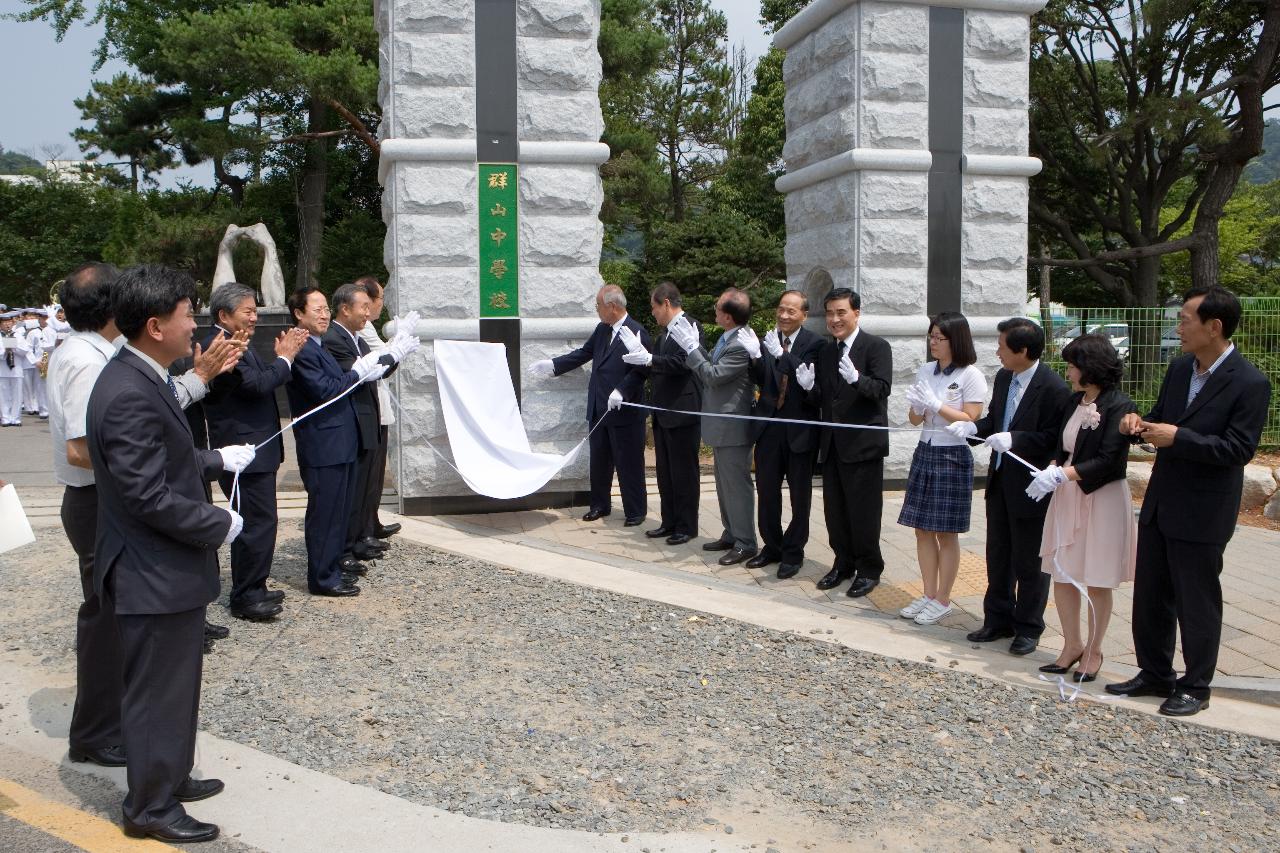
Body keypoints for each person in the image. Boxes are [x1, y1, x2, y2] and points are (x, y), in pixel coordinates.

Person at [86, 264, 257, 843]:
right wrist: (217, 524)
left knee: (176, 685)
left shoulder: (143, 374)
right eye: (189, 316)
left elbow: (168, 458)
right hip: (149, 571)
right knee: (158, 693)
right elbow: (147, 495)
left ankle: (170, 774)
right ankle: (150, 807)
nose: (197, 328)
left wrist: (216, 460)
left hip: (162, 569)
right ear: (156, 325)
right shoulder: (129, 390)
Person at [1108, 285, 1271, 716]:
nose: (1177, 326)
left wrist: (1178, 437)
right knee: (1151, 595)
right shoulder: (1181, 369)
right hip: (1162, 502)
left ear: (1214, 327)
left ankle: (1196, 685)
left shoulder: (1250, 383)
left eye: (1184, 319)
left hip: (1203, 510)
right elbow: (1161, 421)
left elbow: (1237, 450)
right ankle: (1154, 673)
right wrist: (1139, 425)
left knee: (1196, 601)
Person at [45, 263, 126, 770]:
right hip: (95, 502)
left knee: (112, 617)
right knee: (105, 622)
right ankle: (95, 733)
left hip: (98, 500)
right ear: (114, 307)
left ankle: (107, 723)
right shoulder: (86, 361)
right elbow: (80, 450)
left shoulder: (93, 352)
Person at [949, 317, 1071, 656]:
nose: (997, 352)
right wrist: (971, 429)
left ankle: (1029, 626)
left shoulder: (1053, 389)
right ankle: (997, 618)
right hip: (1000, 480)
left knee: (1029, 560)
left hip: (1031, 487)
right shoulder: (1005, 377)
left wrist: (1014, 438)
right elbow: (995, 421)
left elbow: (1051, 438)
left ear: (1023, 350)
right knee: (998, 554)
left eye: (1003, 347)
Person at [287, 287, 414, 597]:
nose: (322, 314)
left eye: (323, 308)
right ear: (298, 314)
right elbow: (326, 390)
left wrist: (372, 364)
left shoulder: (317, 345)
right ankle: (322, 577)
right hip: (322, 446)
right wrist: (359, 370)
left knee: (337, 512)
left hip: (339, 442)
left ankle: (331, 570)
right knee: (324, 515)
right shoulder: (303, 349)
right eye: (314, 309)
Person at [1025, 334, 1136, 683]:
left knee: (1097, 578)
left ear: (1091, 367)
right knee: (1063, 570)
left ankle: (1095, 648)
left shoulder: (1119, 405)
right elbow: (1064, 445)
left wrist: (1063, 474)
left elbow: (1109, 459)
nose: (1068, 370)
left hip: (1099, 497)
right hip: (1067, 492)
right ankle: (1071, 643)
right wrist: (1054, 467)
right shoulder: (1074, 401)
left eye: (1073, 364)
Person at [202, 282, 307, 621]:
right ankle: (245, 596)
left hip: (257, 447)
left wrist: (278, 361)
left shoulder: (239, 343)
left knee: (263, 521)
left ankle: (255, 585)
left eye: (254, 310)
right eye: (247, 311)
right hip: (242, 449)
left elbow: (262, 377)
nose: (254, 317)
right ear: (223, 315)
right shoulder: (220, 345)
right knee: (254, 523)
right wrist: (285, 357)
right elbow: (257, 385)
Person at [795, 288, 893, 597]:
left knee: (863, 511)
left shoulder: (876, 347)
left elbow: (881, 390)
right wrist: (808, 388)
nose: (835, 319)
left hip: (863, 445)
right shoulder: (827, 351)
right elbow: (824, 399)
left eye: (841, 313)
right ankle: (843, 562)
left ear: (856, 313)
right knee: (835, 510)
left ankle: (869, 567)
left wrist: (857, 380)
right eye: (830, 313)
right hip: (833, 445)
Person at [530, 284, 651, 525]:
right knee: (599, 462)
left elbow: (642, 370)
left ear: (612, 306)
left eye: (598, 306)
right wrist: (554, 365)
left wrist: (621, 390)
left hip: (624, 410)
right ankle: (600, 505)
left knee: (628, 464)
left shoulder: (637, 332)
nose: (596, 310)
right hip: (599, 409)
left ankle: (635, 511)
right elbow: (583, 353)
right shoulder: (602, 329)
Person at [897, 312, 986, 625]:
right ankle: (928, 592)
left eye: (939, 337)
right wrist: (920, 408)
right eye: (931, 336)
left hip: (952, 455)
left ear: (955, 340)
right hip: (926, 450)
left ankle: (944, 598)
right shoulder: (926, 370)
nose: (933, 342)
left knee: (946, 533)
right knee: (922, 528)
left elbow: (972, 419)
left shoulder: (971, 374)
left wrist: (939, 406)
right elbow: (913, 418)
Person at [666, 287, 759, 565]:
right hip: (720, 425)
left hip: (733, 427)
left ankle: (745, 542)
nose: (714, 311)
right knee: (723, 485)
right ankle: (731, 533)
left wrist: (693, 350)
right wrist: (699, 350)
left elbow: (713, 375)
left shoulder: (740, 344)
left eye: (718, 307)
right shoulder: (727, 337)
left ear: (729, 317)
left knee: (737, 486)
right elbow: (711, 364)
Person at [746, 290, 824, 578]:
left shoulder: (815, 343)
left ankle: (793, 552)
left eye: (791, 311)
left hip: (799, 430)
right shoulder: (769, 340)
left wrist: (784, 356)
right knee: (766, 491)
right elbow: (762, 380)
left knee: (799, 496)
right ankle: (772, 546)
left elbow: (813, 389)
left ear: (804, 314)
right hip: (769, 428)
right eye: (781, 309)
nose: (784, 315)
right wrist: (756, 357)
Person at [323, 283, 399, 562]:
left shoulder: (358, 338)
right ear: (345, 308)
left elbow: (378, 369)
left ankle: (358, 539)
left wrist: (396, 354)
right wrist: (393, 351)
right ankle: (348, 546)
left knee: (366, 484)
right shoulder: (335, 338)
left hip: (368, 418)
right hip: (353, 421)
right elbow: (359, 374)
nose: (368, 313)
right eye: (363, 306)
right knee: (353, 491)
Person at [624, 282, 703, 545]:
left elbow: (683, 363)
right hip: (662, 412)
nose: (654, 313)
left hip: (682, 411)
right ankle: (669, 521)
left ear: (666, 303)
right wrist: (640, 357)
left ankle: (687, 525)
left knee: (684, 473)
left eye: (654, 307)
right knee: (665, 472)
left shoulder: (690, 327)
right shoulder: (663, 336)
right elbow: (656, 367)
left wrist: (650, 359)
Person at [354, 276, 401, 540]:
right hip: (371, 409)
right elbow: (385, 360)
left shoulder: (367, 327)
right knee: (370, 474)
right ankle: (366, 529)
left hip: (377, 407)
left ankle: (371, 523)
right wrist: (399, 342)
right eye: (380, 298)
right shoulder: (365, 328)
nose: (381, 304)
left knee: (374, 474)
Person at [0, 310, 29, 426]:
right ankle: (5, 418)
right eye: (4, 322)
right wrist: (5, 351)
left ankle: (16, 418)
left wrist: (13, 347)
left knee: (17, 395)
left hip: (16, 369)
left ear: (13, 323)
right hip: (2, 370)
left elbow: (25, 350)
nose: (7, 324)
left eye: (9, 322)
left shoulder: (18, 335)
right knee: (3, 395)